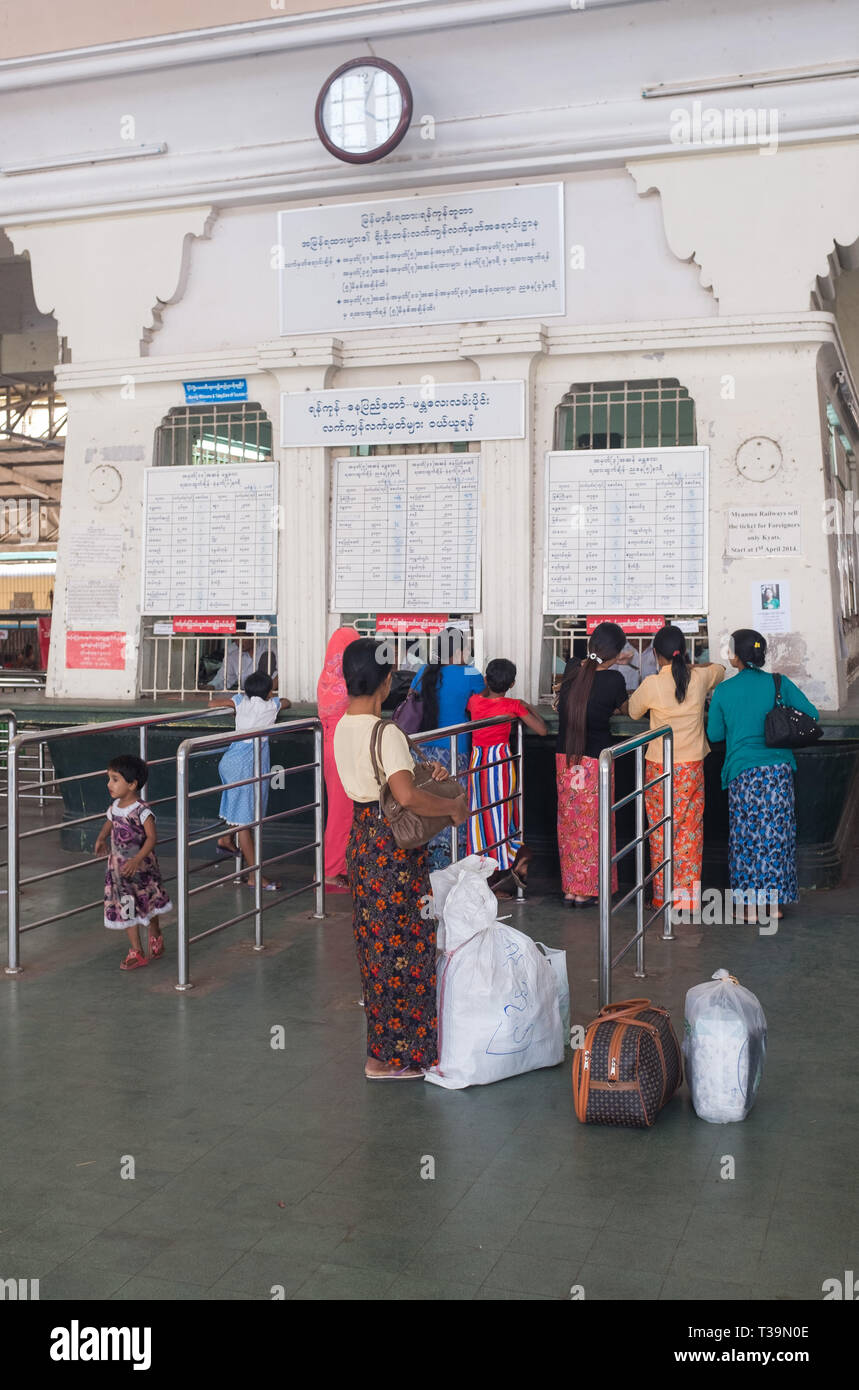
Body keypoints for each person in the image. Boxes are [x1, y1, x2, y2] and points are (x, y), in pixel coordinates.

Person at [333, 637, 467, 1080]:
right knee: (406, 947)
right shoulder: (385, 732)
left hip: (362, 841)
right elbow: (406, 796)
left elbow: (387, 780)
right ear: (386, 680)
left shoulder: (340, 726)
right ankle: (395, 1057)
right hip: (392, 849)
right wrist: (449, 807)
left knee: (376, 948)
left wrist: (426, 773)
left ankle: (381, 1051)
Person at [707, 629, 818, 921]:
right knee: (776, 837)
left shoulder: (724, 691)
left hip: (742, 773)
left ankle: (750, 908)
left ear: (735, 655)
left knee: (746, 839)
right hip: (778, 773)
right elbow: (811, 714)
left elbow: (715, 733)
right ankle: (775, 906)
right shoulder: (778, 683)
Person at [628, 624, 725, 914]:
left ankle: (663, 897)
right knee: (690, 830)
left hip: (659, 766)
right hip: (692, 765)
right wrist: (693, 664)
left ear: (656, 655)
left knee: (660, 830)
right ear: (683, 651)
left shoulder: (652, 684)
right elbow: (720, 669)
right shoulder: (699, 677)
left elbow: (633, 711)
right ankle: (688, 899)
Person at [555, 621, 629, 907]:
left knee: (570, 825)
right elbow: (625, 709)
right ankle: (589, 889)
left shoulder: (573, 668)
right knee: (594, 826)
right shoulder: (614, 680)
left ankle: (571, 888)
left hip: (566, 759)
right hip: (595, 762)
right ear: (618, 651)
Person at [465, 658, 547, 893]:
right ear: (512, 684)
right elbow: (542, 730)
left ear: (485, 680)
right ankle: (516, 857)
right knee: (502, 818)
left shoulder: (473, 701)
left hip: (478, 764)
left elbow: (481, 696)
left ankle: (488, 877)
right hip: (501, 765)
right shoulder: (512, 705)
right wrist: (526, 706)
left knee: (480, 820)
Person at [409, 627, 484, 870]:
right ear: (462, 650)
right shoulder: (470, 673)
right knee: (453, 805)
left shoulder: (423, 672)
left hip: (420, 753)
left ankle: (422, 863)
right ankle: (449, 865)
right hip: (454, 752)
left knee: (424, 804)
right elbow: (485, 703)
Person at [94, 754, 172, 971]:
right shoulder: (115, 806)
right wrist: (101, 839)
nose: (109, 784)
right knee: (126, 907)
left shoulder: (141, 810)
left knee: (147, 904)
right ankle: (136, 951)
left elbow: (152, 838)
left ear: (132, 784)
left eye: (115, 779)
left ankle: (155, 932)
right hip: (119, 871)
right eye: (109, 778)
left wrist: (138, 859)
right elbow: (109, 823)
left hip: (142, 870)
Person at [216, 670, 284, 889]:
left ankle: (225, 839)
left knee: (239, 811)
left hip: (230, 761)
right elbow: (287, 702)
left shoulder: (239, 701)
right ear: (269, 692)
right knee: (246, 823)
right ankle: (254, 875)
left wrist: (233, 707)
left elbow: (213, 703)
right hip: (246, 766)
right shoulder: (270, 705)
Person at [316, 626, 359, 892]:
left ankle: (337, 869)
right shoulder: (348, 683)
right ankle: (331, 872)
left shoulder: (327, 679)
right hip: (342, 748)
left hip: (331, 747)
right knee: (342, 815)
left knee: (340, 812)